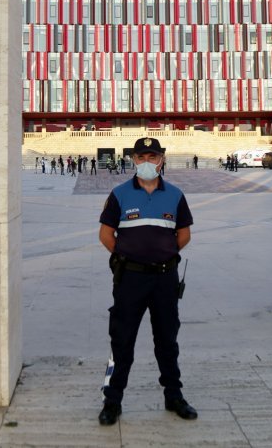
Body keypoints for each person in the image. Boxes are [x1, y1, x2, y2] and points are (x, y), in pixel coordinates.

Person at [97, 137, 197, 426]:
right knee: (122, 339)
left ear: (162, 160)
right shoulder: (119, 194)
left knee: (167, 339)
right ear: (134, 160)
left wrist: (162, 255)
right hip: (130, 279)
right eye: (141, 157)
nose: (147, 163)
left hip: (165, 279)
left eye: (153, 157)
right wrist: (128, 259)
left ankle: (174, 396)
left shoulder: (175, 195)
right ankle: (112, 401)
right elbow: (106, 235)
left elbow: (184, 235)